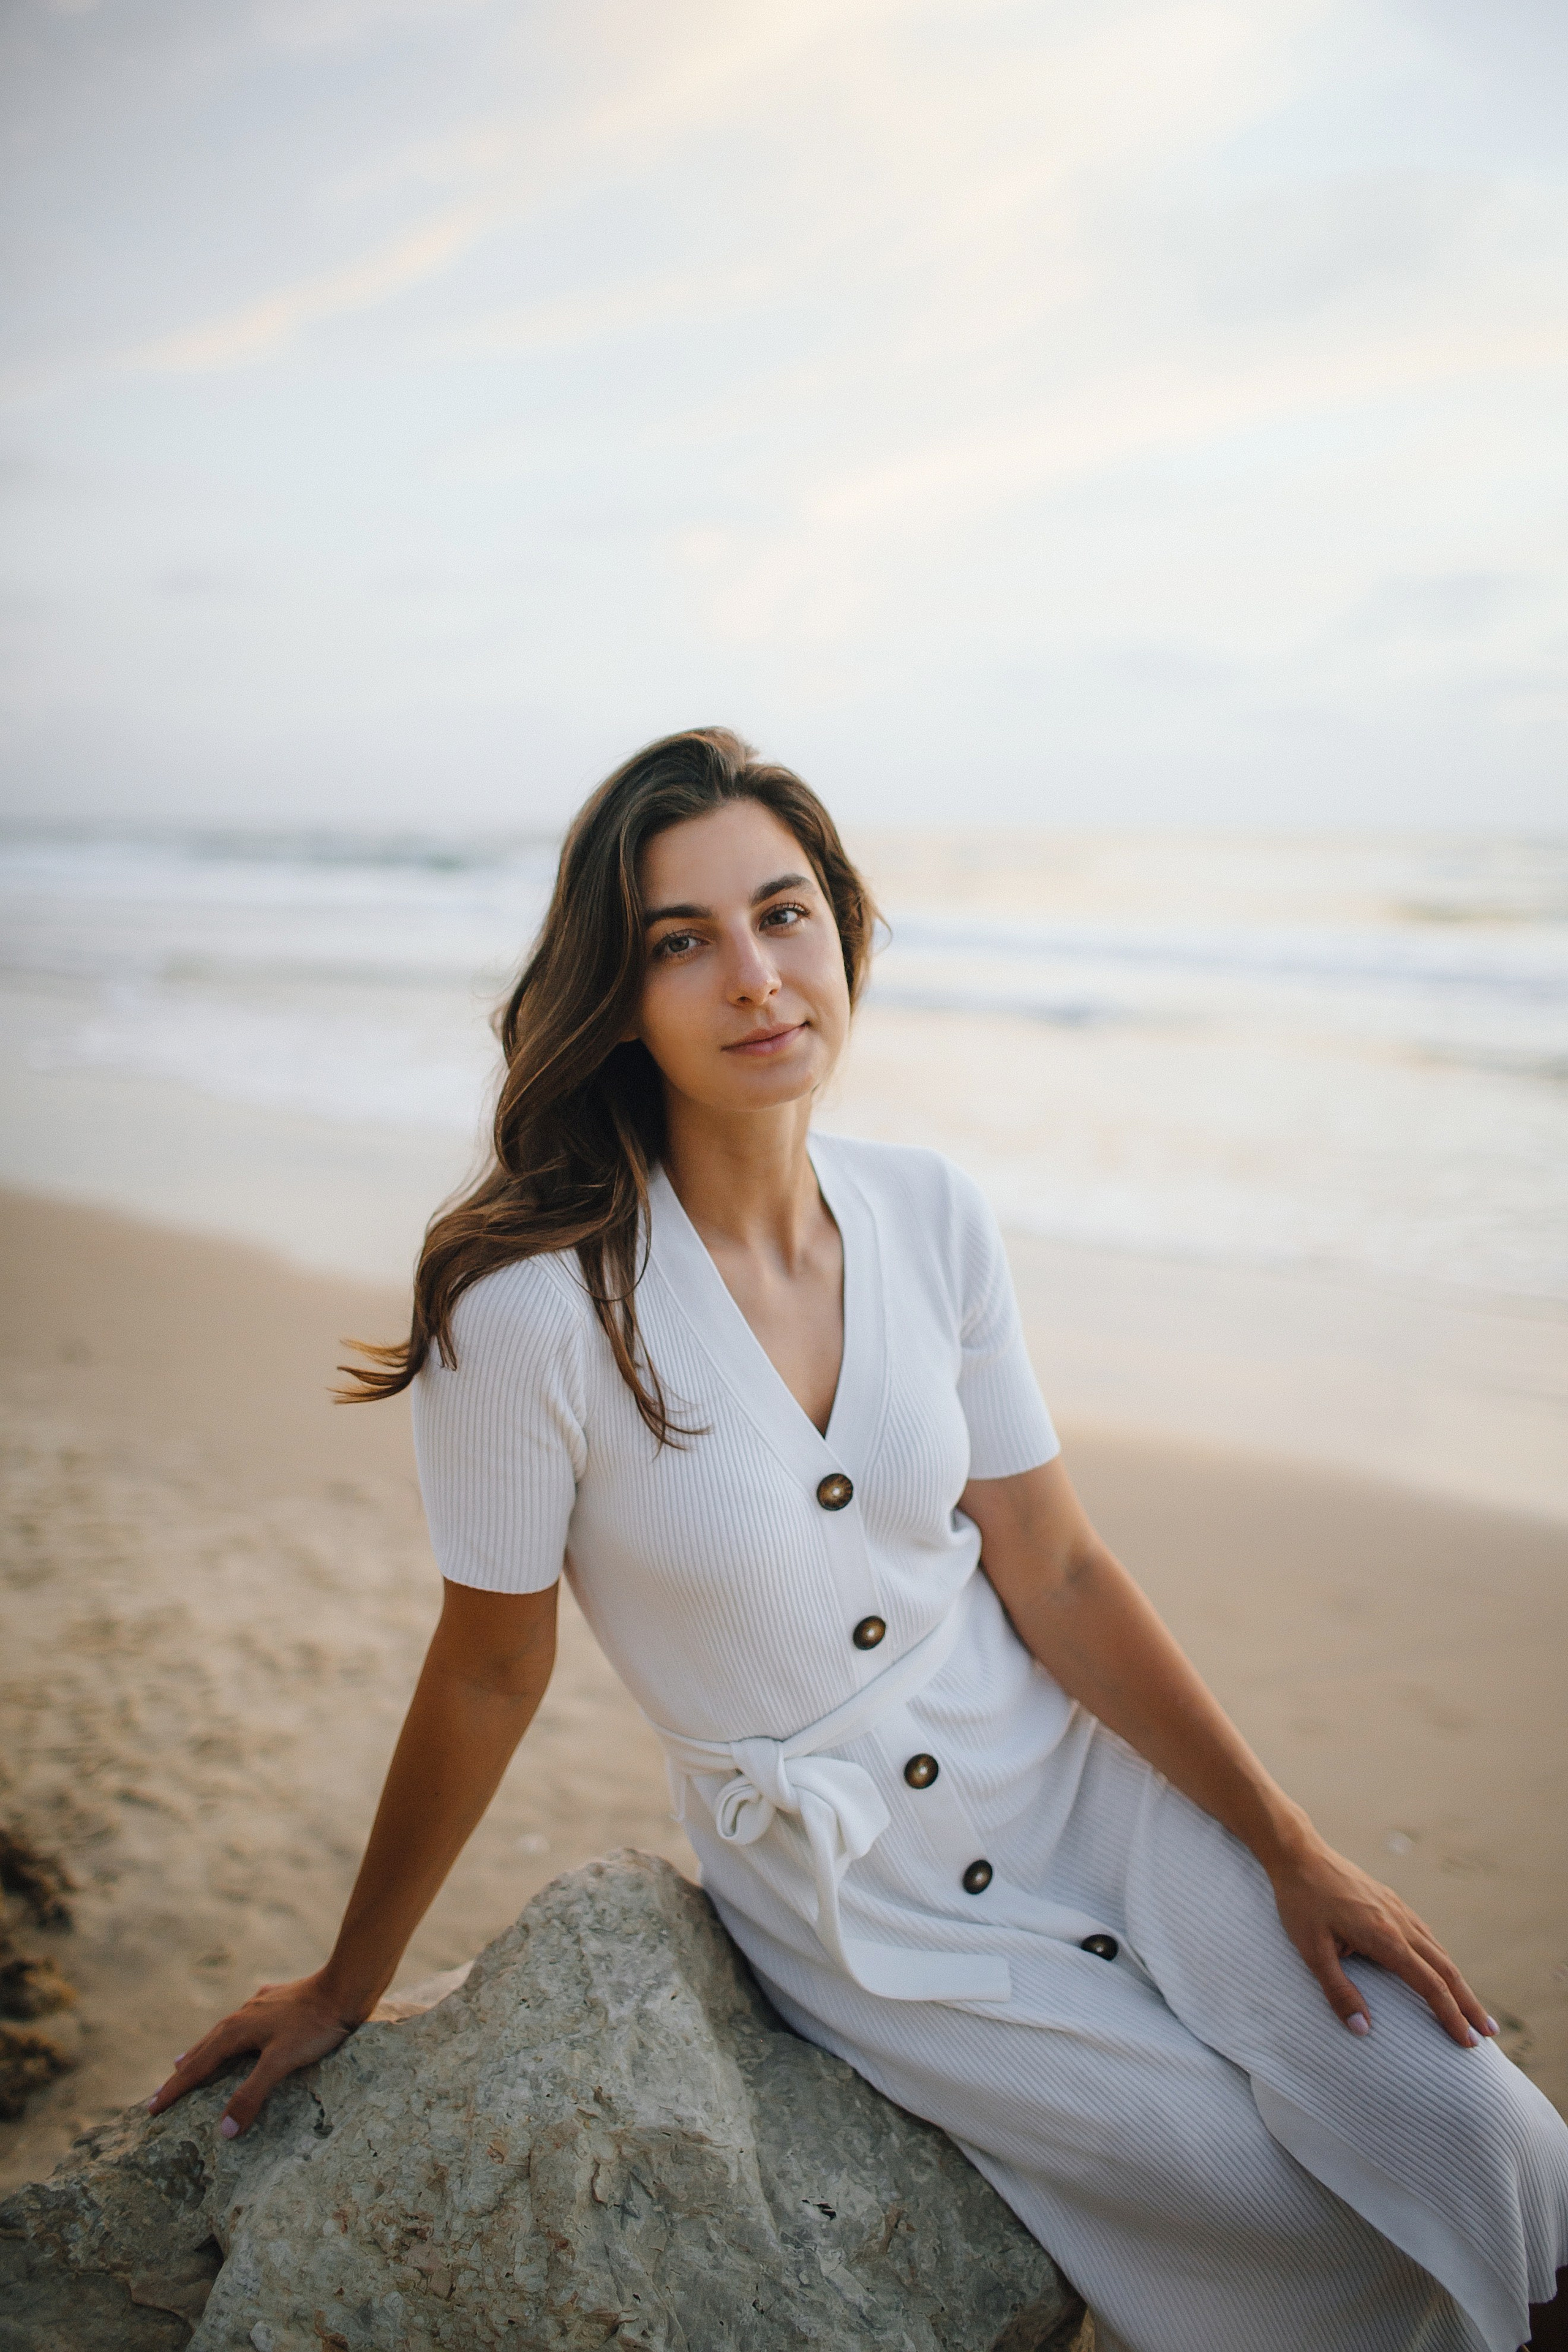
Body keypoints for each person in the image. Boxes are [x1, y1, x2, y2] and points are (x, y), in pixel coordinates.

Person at [152, 728, 1568, 2352]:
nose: (755, 976)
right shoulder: (529, 1310)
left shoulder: (933, 1211)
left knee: (1482, 2133)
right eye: (684, 941)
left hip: (1074, 1783)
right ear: (619, 993)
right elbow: (487, 1671)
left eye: (785, 914)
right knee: (1263, 2195)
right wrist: (344, 1984)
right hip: (856, 1903)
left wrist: (1289, 1847)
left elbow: (1057, 1568)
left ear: (845, 931)